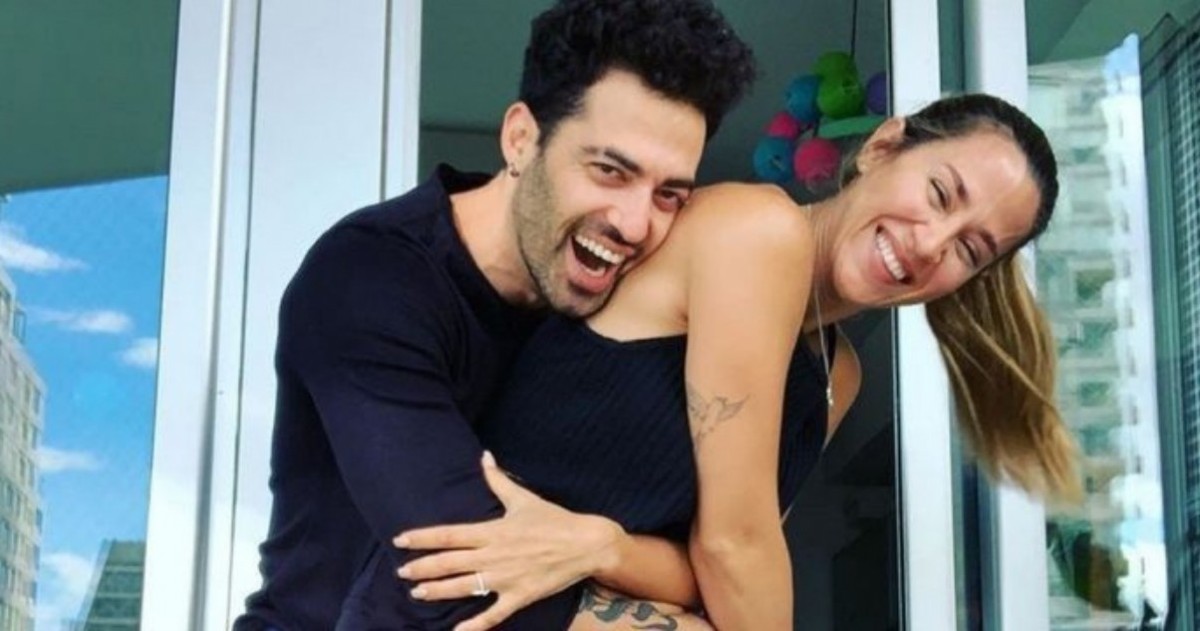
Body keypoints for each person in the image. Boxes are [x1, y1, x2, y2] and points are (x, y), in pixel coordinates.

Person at [393, 93, 1083, 630]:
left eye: (969, 249)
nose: (932, 244)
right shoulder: (757, 231)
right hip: (463, 586)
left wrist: (604, 547)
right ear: (882, 147)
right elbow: (734, 549)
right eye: (939, 194)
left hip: (563, 593)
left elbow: (709, 565)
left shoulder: (837, 375)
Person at [233, 1, 757, 629]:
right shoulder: (370, 279)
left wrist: (606, 548)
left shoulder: (612, 299)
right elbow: (463, 575)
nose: (635, 224)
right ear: (521, 139)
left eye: (668, 194)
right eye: (609, 171)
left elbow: (701, 552)